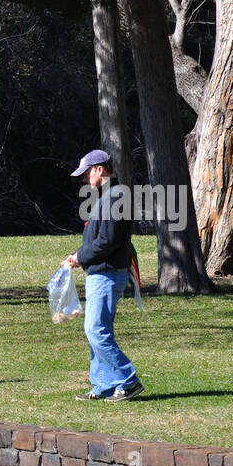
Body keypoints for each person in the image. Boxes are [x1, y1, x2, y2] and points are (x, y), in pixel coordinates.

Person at [64, 149, 143, 402]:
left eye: (87, 173)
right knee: (96, 331)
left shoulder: (117, 196)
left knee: (96, 330)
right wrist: (79, 254)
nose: (85, 179)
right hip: (101, 273)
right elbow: (100, 239)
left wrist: (81, 257)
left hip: (107, 274)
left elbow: (107, 241)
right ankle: (103, 385)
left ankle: (128, 381)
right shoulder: (108, 196)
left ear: (99, 169)